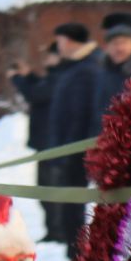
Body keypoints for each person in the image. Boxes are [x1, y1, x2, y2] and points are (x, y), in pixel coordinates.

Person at [13, 24, 91, 242]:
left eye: (53, 51)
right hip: (50, 142)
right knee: (48, 191)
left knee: (59, 195)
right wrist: (27, 76)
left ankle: (60, 233)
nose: (47, 59)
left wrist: (20, 79)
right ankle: (56, 231)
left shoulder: (70, 74)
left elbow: (38, 94)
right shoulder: (61, 76)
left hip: (60, 145)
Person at [45, 21, 105, 253]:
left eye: (60, 41)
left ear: (69, 41)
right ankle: (74, 255)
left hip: (75, 149)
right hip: (67, 146)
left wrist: (70, 151)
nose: (58, 47)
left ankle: (77, 256)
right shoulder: (73, 66)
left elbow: (79, 114)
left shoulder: (87, 69)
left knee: (73, 204)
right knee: (70, 204)